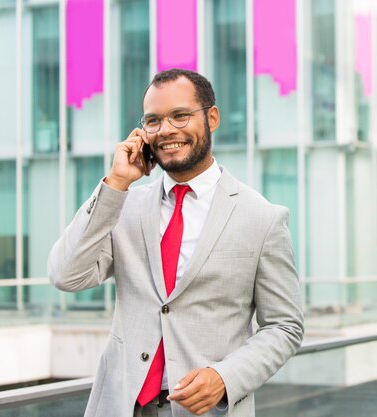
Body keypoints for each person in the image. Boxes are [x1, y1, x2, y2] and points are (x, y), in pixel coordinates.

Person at [48, 68, 304, 417]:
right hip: (120, 407)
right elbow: (66, 275)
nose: (166, 130)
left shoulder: (262, 217)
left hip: (208, 409)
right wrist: (115, 183)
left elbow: (284, 326)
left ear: (211, 118)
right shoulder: (123, 207)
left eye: (180, 116)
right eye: (153, 121)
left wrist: (224, 377)